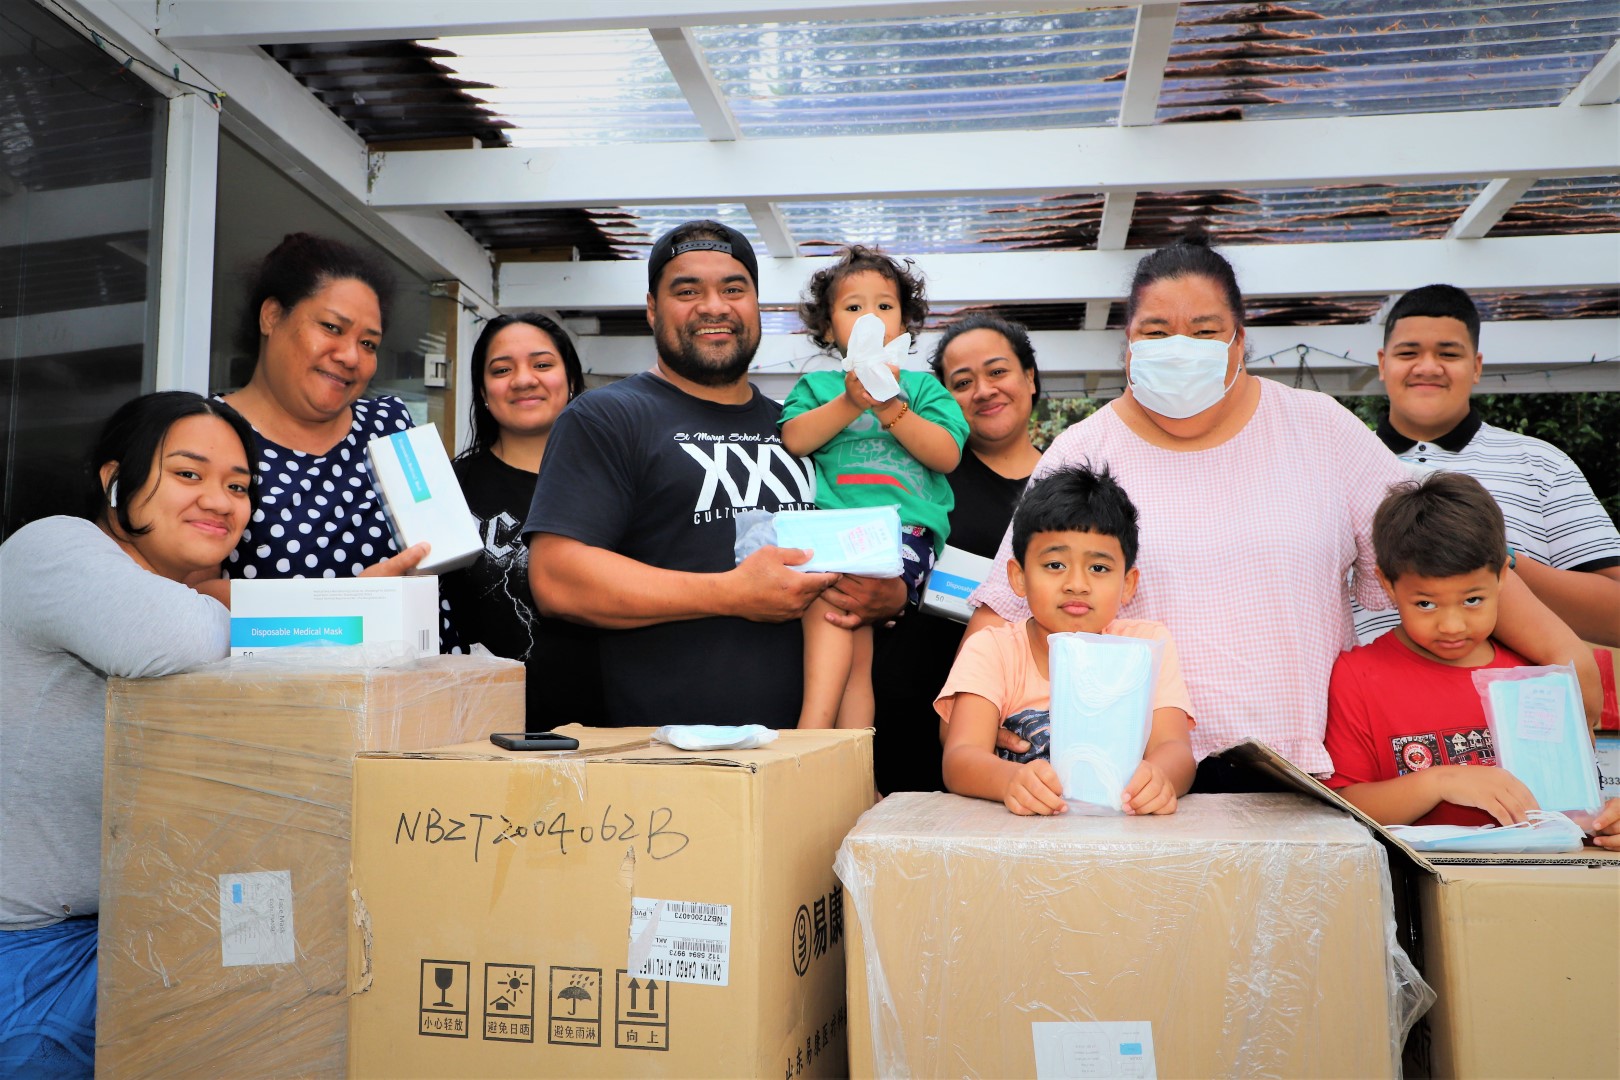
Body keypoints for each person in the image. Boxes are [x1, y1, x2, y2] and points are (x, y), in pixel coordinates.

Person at [966, 234, 1602, 785]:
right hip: (1133, 778)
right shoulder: (1085, 449)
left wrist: (1562, 648)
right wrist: (983, 731)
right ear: (1127, 342)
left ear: (1240, 340)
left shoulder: (1318, 428)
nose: (1180, 346)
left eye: (1206, 331)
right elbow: (1010, 602)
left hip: (1306, 770)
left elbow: (1442, 542)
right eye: (1156, 333)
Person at [523, 220, 906, 727]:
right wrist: (730, 593)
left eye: (733, 289)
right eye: (687, 290)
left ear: (756, 306)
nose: (714, 306)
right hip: (672, 771)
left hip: (813, 765)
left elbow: (867, 536)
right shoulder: (607, 417)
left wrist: (886, 595)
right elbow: (557, 578)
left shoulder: (805, 426)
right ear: (652, 309)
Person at [0, 392, 257, 1076]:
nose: (220, 501)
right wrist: (297, 614)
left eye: (239, 487)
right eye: (189, 474)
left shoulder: (161, 597)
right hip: (29, 959)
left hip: (111, 934)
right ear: (116, 479)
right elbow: (168, 635)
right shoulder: (53, 545)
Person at [1325, 472, 1620, 847]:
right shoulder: (1357, 677)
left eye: (1472, 600)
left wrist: (1608, 822)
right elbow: (1343, 806)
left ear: (1501, 576)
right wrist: (1439, 782)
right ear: (1387, 584)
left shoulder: (1539, 681)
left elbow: (1580, 813)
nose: (1452, 625)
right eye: (1425, 603)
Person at [217, 233, 459, 647]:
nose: (351, 356)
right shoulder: (207, 433)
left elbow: (448, 550)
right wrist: (349, 605)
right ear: (272, 317)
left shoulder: (390, 424)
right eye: (332, 327)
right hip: (297, 701)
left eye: (368, 343)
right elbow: (185, 592)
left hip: (428, 686)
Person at [1355, 284, 1620, 647]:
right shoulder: (1333, 462)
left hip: (1507, 700)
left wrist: (1499, 559)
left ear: (1476, 366)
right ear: (1383, 364)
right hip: (1361, 700)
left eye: (1448, 353)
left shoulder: (1542, 464)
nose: (1428, 367)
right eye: (1408, 352)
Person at [781, 246, 967, 729]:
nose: (870, 318)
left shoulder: (926, 389)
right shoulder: (819, 387)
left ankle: (809, 737)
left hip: (905, 534)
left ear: (905, 327)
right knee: (853, 652)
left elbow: (946, 453)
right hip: (837, 531)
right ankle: (848, 763)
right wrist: (849, 401)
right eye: (853, 307)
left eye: (884, 306)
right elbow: (795, 439)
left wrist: (890, 408)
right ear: (828, 328)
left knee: (836, 610)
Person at [938, 465, 1195, 816]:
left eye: (1099, 568)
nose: (1077, 583)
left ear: (1129, 584)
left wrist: (1160, 778)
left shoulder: (1147, 647)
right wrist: (1008, 780)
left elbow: (1175, 748)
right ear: (1018, 577)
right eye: (1055, 564)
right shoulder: (991, 649)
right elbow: (960, 758)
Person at [870, 313, 1044, 793]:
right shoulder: (920, 477)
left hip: (1020, 728)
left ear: (1030, 377)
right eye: (962, 382)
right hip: (908, 713)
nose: (984, 390)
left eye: (997, 372)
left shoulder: (1069, 485)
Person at [440, 313, 604, 727]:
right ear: (483, 390)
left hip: (614, 730)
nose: (523, 379)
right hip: (486, 731)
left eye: (542, 364)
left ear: (570, 381)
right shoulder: (449, 489)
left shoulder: (618, 480)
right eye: (502, 369)